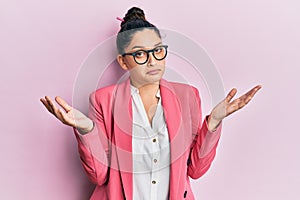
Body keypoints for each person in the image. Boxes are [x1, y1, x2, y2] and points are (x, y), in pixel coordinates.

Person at [40, 7, 261, 200]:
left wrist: (213, 122)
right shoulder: (103, 100)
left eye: (157, 50)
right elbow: (99, 175)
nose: (152, 60)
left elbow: (195, 170)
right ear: (123, 62)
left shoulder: (188, 96)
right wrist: (85, 129)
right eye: (140, 54)